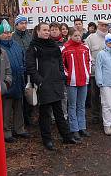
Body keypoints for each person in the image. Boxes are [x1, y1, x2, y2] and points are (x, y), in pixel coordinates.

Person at [26, 22, 79, 150]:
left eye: (48, 30)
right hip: (43, 85)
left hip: (56, 83)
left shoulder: (54, 45)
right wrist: (39, 81)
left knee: (59, 112)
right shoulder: (33, 47)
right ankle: (47, 140)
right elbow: (30, 67)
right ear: (38, 31)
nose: (46, 32)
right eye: (44, 30)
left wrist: (61, 74)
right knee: (45, 114)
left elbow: (60, 62)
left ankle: (66, 137)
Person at [0, 19, 30, 143]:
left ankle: (19, 129)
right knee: (6, 110)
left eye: (9, 32)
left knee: (19, 107)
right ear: (0, 34)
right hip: (7, 83)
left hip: (19, 81)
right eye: (5, 33)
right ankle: (6, 132)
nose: (7, 35)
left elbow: (22, 59)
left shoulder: (16, 45)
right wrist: (6, 82)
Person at [62, 28, 91, 140]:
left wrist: (87, 73)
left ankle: (82, 127)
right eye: (75, 36)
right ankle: (74, 129)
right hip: (72, 81)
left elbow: (89, 61)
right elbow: (62, 64)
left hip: (83, 80)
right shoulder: (65, 48)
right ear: (70, 36)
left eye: (79, 36)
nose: (78, 38)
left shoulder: (85, 48)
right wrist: (68, 74)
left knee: (81, 105)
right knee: (72, 105)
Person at [85, 19, 109, 124]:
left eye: (105, 26)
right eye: (102, 25)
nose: (104, 27)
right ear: (98, 26)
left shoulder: (110, 38)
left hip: (109, 73)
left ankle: (107, 116)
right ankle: (95, 115)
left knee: (107, 96)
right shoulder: (90, 38)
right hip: (95, 72)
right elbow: (86, 54)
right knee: (95, 95)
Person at [12, 14, 34, 125]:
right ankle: (22, 118)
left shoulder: (29, 36)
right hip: (19, 69)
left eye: (25, 23)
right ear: (16, 25)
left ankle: (29, 114)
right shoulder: (12, 37)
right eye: (21, 23)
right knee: (21, 94)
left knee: (30, 92)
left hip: (29, 68)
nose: (24, 25)